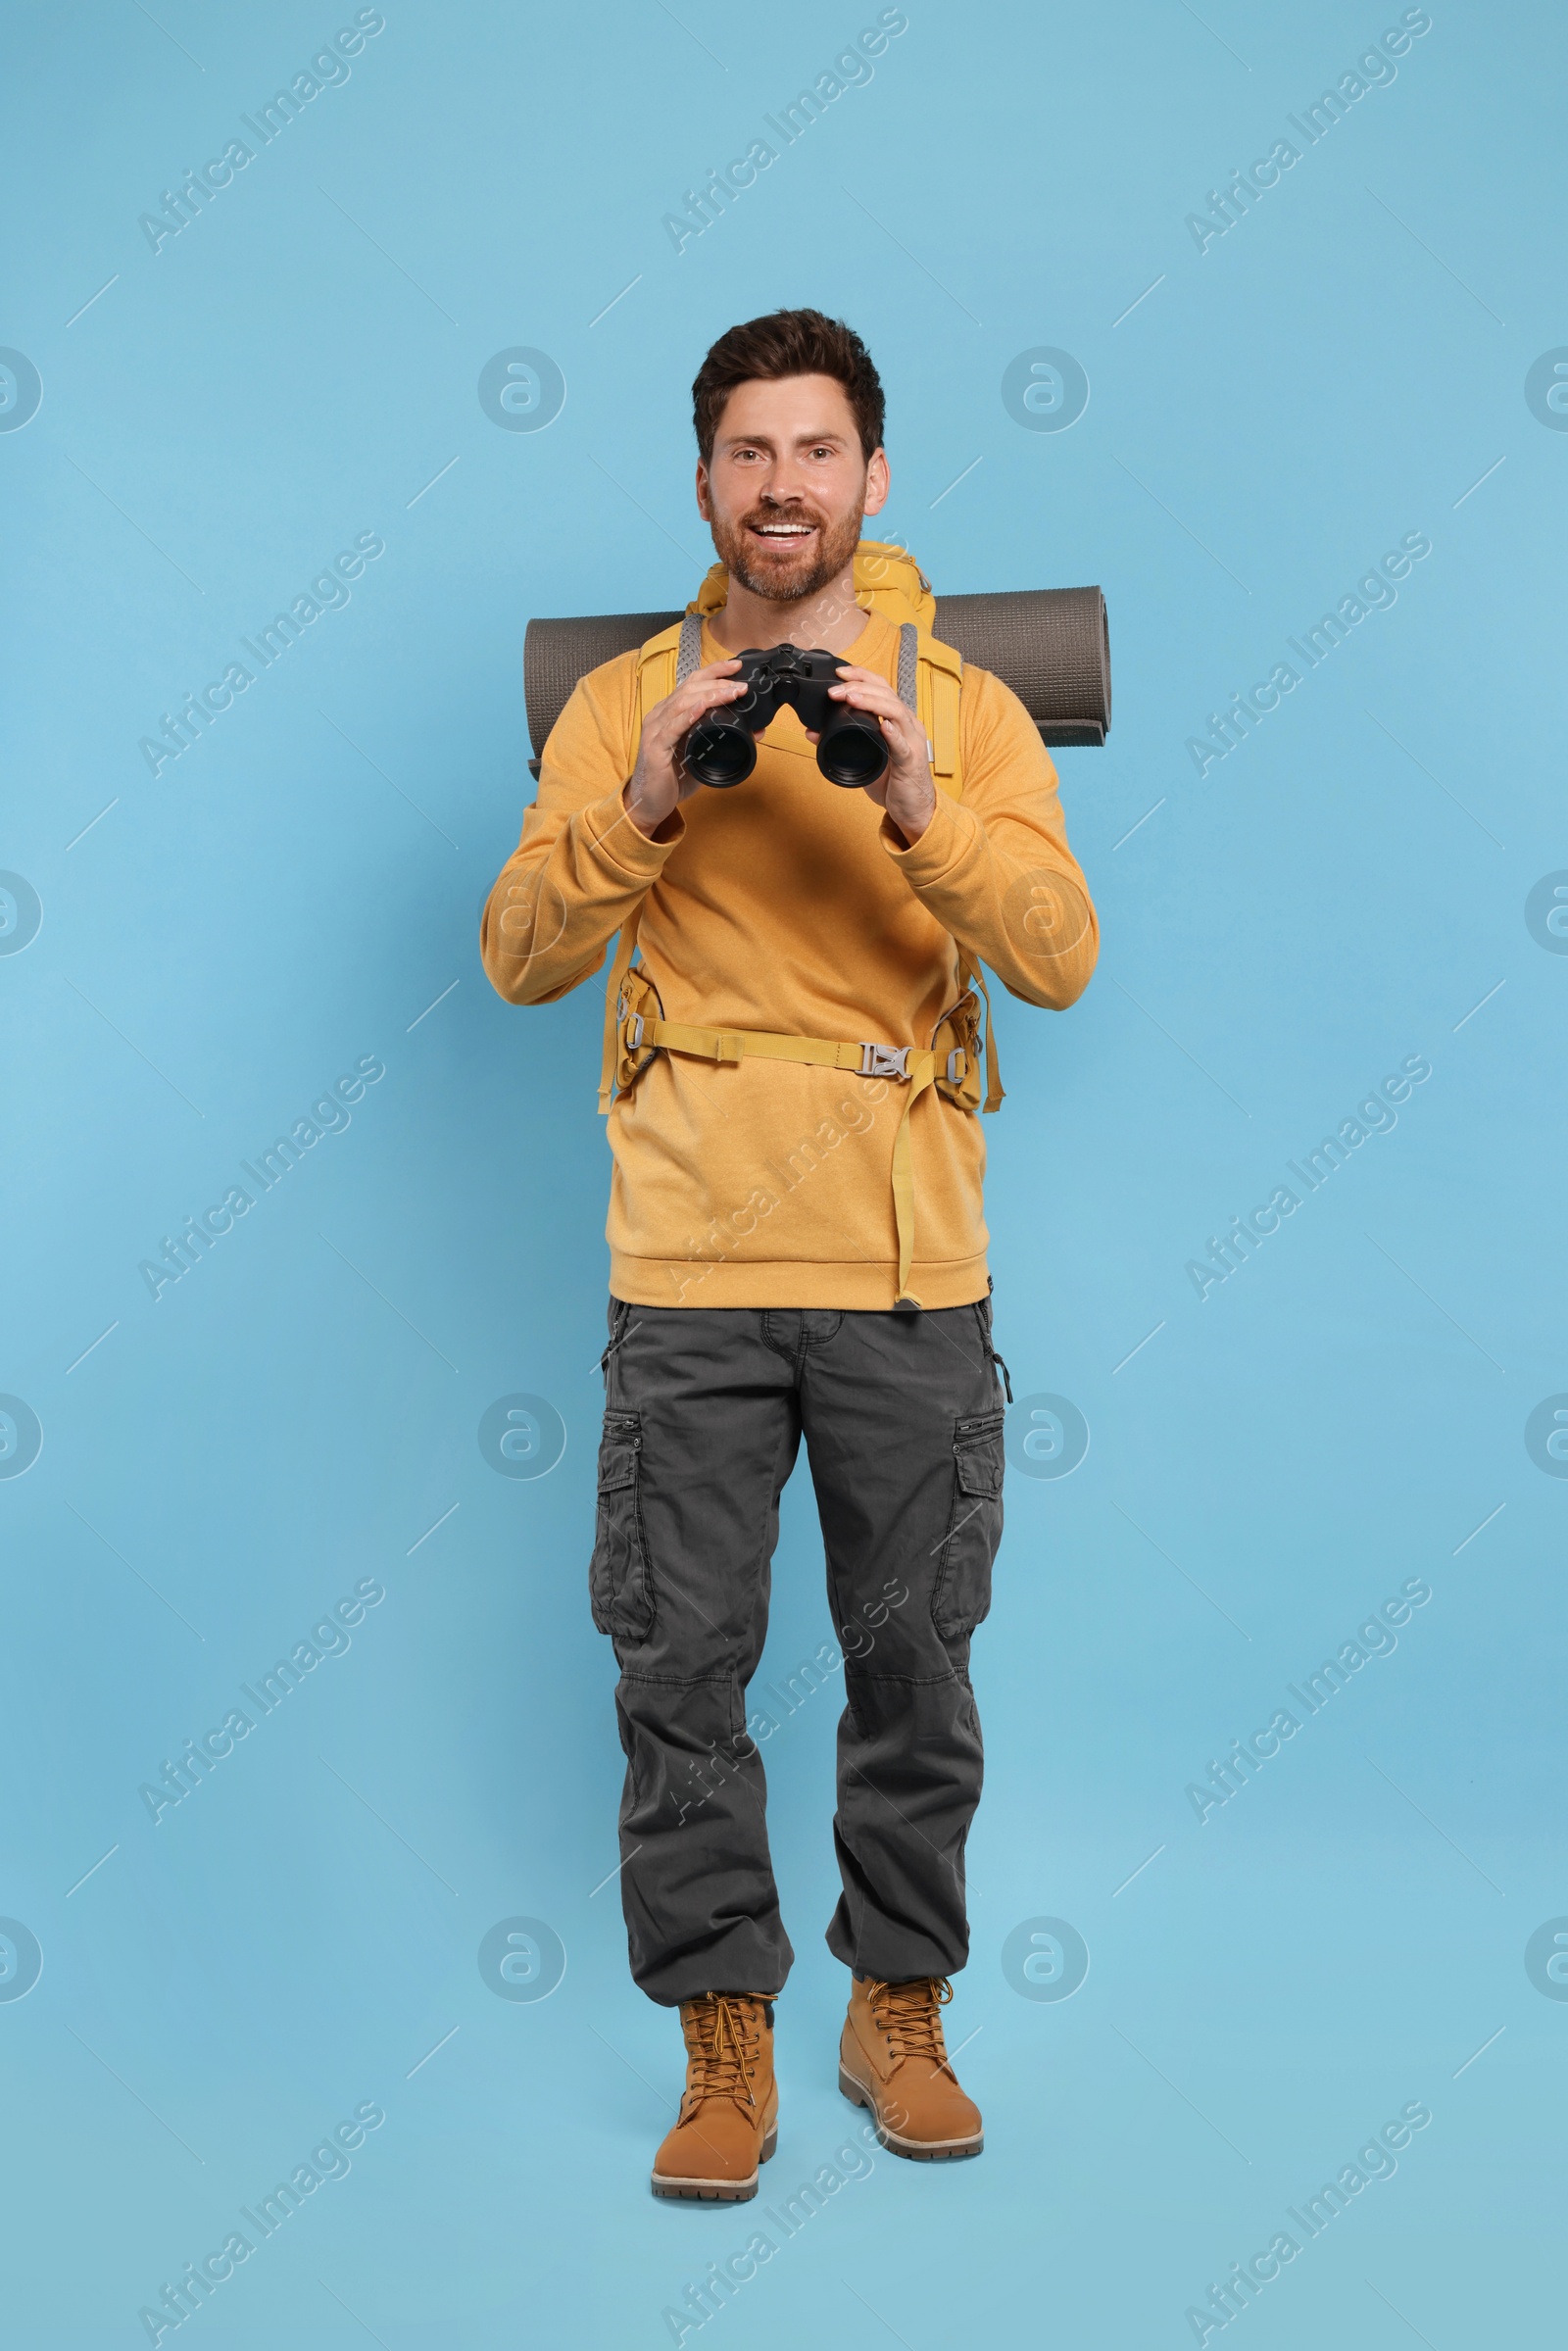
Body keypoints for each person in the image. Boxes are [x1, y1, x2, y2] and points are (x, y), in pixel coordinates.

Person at [480, 308, 1098, 2200]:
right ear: (704, 484)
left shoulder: (967, 701)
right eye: (748, 453)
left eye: (816, 451)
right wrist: (648, 792)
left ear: (872, 479)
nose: (781, 486)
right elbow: (519, 952)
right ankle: (719, 2041)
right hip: (687, 1266)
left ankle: (895, 2006)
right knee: (682, 1669)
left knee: (917, 1668)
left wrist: (920, 807)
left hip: (908, 1260)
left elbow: (1060, 955)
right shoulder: (625, 702)